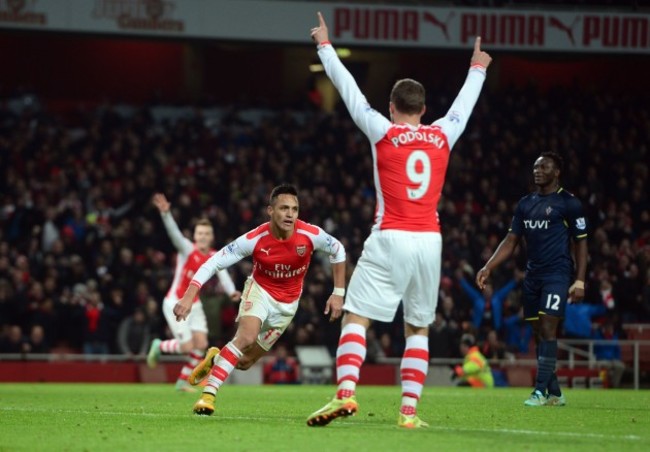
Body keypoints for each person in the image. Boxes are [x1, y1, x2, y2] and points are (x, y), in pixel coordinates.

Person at [306, 12, 492, 429]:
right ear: (424, 110)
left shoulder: (382, 131)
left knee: (356, 316)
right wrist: (477, 69)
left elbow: (349, 91)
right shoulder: (444, 133)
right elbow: (464, 105)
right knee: (418, 327)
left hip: (391, 235)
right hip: (430, 240)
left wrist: (325, 45)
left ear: (392, 108)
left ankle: (346, 393)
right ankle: (408, 413)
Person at [173, 184, 346, 415]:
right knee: (245, 337)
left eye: (294, 209)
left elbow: (338, 250)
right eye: (284, 208)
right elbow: (213, 262)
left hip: (288, 306)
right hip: (260, 292)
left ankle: (216, 357)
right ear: (270, 211)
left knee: (244, 363)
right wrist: (188, 296)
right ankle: (208, 396)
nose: (290, 214)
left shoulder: (310, 235)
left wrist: (338, 292)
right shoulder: (255, 238)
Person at [476, 152, 588, 406]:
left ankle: (539, 391)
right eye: (535, 167)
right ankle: (556, 393)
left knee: (549, 327)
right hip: (532, 276)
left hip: (557, 274)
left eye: (544, 167)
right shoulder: (526, 204)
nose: (537, 170)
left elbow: (582, 243)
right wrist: (488, 266)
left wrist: (579, 280)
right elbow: (511, 240)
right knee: (539, 334)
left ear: (556, 171)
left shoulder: (569, 203)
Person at [146, 193, 241, 393]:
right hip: (175, 302)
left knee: (201, 344)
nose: (203, 237)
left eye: (207, 234)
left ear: (212, 237)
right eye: (200, 234)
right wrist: (166, 215)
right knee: (188, 346)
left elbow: (223, 275)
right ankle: (160, 345)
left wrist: (232, 292)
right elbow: (175, 235)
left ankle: (182, 383)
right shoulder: (187, 249)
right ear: (195, 236)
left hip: (194, 304)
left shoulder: (215, 256)